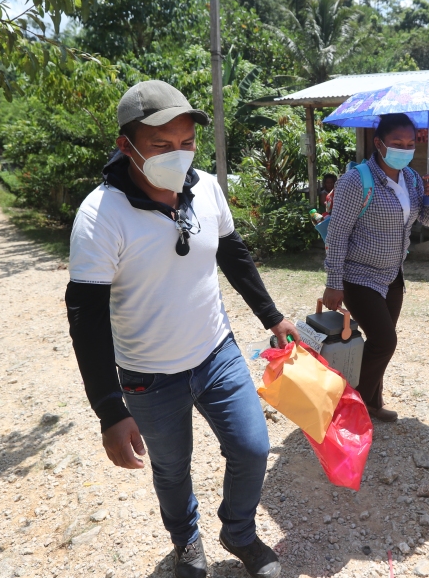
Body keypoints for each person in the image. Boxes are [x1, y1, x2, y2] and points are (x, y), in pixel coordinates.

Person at [65, 80, 297, 578]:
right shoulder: (100, 216)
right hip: (149, 376)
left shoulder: (207, 187)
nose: (179, 154)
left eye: (187, 142)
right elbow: (85, 317)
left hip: (217, 352)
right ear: (127, 146)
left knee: (253, 447)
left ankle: (237, 532)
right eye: (161, 145)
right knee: (171, 469)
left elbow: (233, 253)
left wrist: (272, 317)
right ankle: (187, 544)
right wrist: (109, 408)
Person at [321, 113, 429, 423]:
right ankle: (350, 408)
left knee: (379, 344)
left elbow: (428, 220)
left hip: (393, 276)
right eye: (397, 143)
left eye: (410, 144)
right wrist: (334, 282)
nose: (405, 149)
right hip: (359, 276)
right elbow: (337, 235)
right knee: (385, 341)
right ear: (379, 144)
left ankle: (371, 403)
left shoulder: (414, 179)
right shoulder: (356, 180)